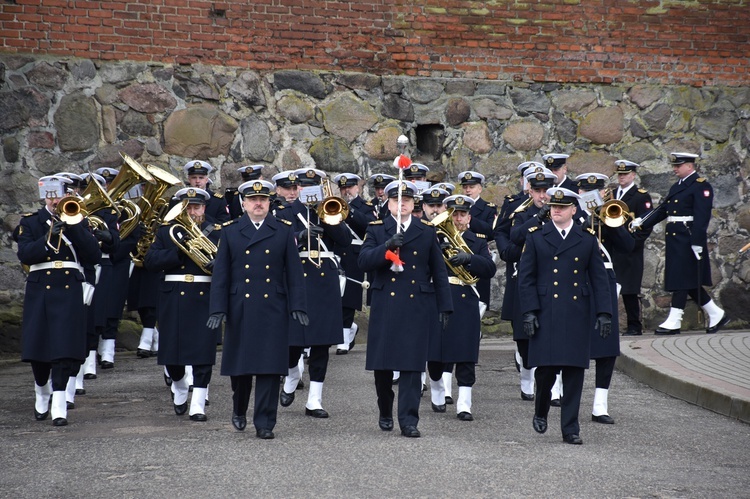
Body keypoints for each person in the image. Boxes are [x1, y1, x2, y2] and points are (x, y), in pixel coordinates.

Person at [207, 180, 308, 439]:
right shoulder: (230, 231)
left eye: (263, 199)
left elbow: (294, 273)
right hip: (241, 306)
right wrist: (218, 308)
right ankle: (239, 409)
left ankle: (265, 422)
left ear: (269, 203)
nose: (258, 203)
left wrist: (297, 305)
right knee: (241, 368)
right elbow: (221, 275)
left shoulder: (283, 230)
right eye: (253, 200)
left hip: (273, 307)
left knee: (270, 368)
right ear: (243, 204)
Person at [358, 180, 453, 437]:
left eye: (408, 201)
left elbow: (439, 271)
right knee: (383, 367)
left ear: (414, 204)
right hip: (385, 304)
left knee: (412, 365)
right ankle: (385, 410)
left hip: (416, 306)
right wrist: (387, 246)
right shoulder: (377, 229)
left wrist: (445, 305)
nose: (403, 205)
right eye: (397, 201)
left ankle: (409, 420)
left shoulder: (426, 231)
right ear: (388, 203)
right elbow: (363, 260)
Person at [518, 187, 611, 445]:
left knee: (573, 373)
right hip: (546, 313)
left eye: (562, 206)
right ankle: (541, 409)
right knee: (545, 372)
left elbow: (599, 279)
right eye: (553, 206)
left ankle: (570, 428)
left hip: (576, 314)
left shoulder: (587, 239)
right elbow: (526, 279)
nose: (556, 210)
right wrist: (529, 312)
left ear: (573, 210)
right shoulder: (537, 237)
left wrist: (604, 313)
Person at [16, 175, 102, 426]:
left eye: (60, 195)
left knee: (66, 349)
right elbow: (26, 253)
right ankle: (42, 389)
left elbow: (93, 254)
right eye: (51, 195)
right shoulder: (31, 222)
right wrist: (50, 234)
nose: (55, 200)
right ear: (44, 196)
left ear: (69, 195)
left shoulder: (79, 220)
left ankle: (59, 401)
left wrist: (73, 225)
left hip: (69, 289)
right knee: (40, 350)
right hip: (40, 288)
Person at [276, 167, 353, 418]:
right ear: (298, 189)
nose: (310, 192)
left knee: (322, 343)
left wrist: (328, 220)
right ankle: (292, 375)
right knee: (293, 340)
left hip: (325, 280)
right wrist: (299, 235)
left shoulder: (328, 208)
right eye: (305, 187)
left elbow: (345, 240)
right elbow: (276, 244)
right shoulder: (285, 212)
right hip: (297, 279)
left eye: (315, 187)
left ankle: (314, 400)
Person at [144, 187, 222, 422]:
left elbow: (231, 263)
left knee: (203, 352)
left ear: (204, 208)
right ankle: (178, 386)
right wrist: (177, 253)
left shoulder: (217, 232)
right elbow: (150, 261)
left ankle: (198, 404)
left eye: (196, 207)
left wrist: (217, 266)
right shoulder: (167, 231)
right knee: (172, 353)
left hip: (205, 294)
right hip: (174, 295)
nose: (192, 211)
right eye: (187, 207)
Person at [632, 152, 729, 335]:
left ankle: (675, 320)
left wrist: (697, 242)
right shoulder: (678, 186)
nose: (675, 169)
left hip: (688, 237)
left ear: (690, 166)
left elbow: (702, 216)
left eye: (678, 165)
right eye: (674, 165)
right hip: (676, 239)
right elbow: (663, 209)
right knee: (688, 280)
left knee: (681, 279)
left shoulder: (701, 186)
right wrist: (642, 220)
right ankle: (716, 313)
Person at [427, 194, 496, 421]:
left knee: (466, 354)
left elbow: (489, 269)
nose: (458, 219)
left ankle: (464, 404)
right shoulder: (434, 237)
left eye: (462, 214)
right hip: (440, 297)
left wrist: (469, 258)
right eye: (454, 214)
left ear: (469, 217)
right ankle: (437, 387)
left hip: (467, 299)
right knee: (436, 352)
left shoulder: (477, 241)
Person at [575, 172, 636, 425]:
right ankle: (560, 391)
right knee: (570, 337)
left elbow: (628, 246)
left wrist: (610, 221)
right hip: (576, 281)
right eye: (585, 192)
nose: (591, 196)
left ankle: (600, 405)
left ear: (603, 193)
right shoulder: (572, 215)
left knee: (606, 343)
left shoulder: (608, 215)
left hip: (604, 282)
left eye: (597, 191)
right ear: (578, 193)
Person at [506, 168, 557, 401]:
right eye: (538, 191)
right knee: (523, 338)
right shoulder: (523, 214)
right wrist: (538, 218)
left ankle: (551, 386)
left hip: (550, 281)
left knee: (550, 334)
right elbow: (515, 237)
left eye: (546, 190)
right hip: (526, 280)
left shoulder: (560, 212)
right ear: (530, 191)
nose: (542, 196)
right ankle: (526, 375)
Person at [610, 160, 654, 336]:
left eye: (625, 174)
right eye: (620, 174)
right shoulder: (612, 194)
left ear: (633, 175)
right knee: (611, 288)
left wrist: (634, 242)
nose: (622, 177)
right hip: (614, 247)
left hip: (630, 250)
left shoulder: (641, 196)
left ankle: (634, 325)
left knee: (630, 290)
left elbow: (647, 223)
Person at [332, 173, 374, 355]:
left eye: (349, 187)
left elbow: (369, 225)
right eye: (343, 188)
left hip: (353, 253)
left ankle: (343, 339)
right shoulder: (332, 205)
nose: (346, 190)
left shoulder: (365, 207)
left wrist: (350, 210)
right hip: (335, 253)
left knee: (349, 297)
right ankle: (349, 329)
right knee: (333, 296)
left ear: (357, 187)